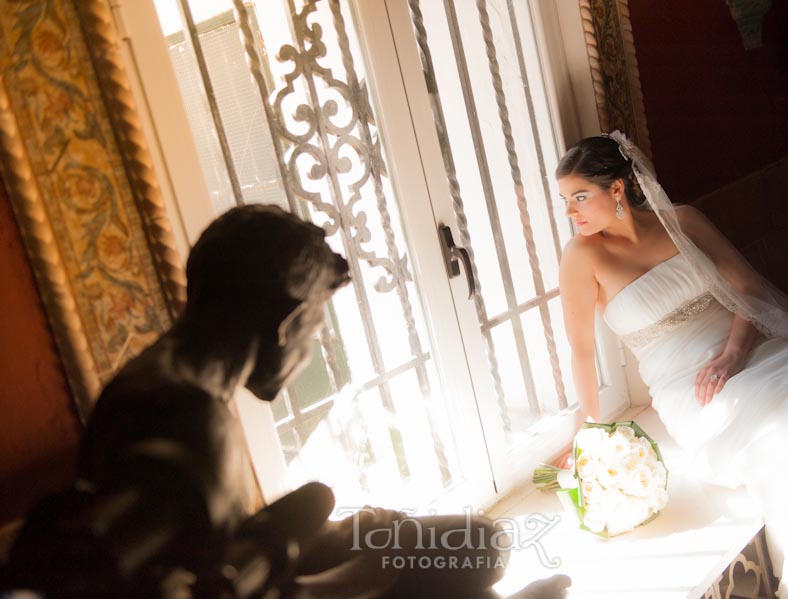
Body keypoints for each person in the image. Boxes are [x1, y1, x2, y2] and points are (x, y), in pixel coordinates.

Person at [16, 204, 568, 598]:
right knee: (464, 574)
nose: (313, 349)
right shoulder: (185, 416)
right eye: (316, 329)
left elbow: (218, 554)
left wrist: (328, 536)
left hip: (264, 566)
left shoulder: (177, 379)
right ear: (285, 323)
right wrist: (367, 573)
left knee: (482, 544)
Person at [557, 133, 788, 598]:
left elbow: (749, 289)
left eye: (580, 197)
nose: (571, 213)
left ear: (616, 188)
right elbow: (580, 350)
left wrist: (734, 354)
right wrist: (590, 433)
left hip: (750, 351)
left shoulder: (682, 220)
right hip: (692, 386)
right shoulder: (582, 255)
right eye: (565, 201)